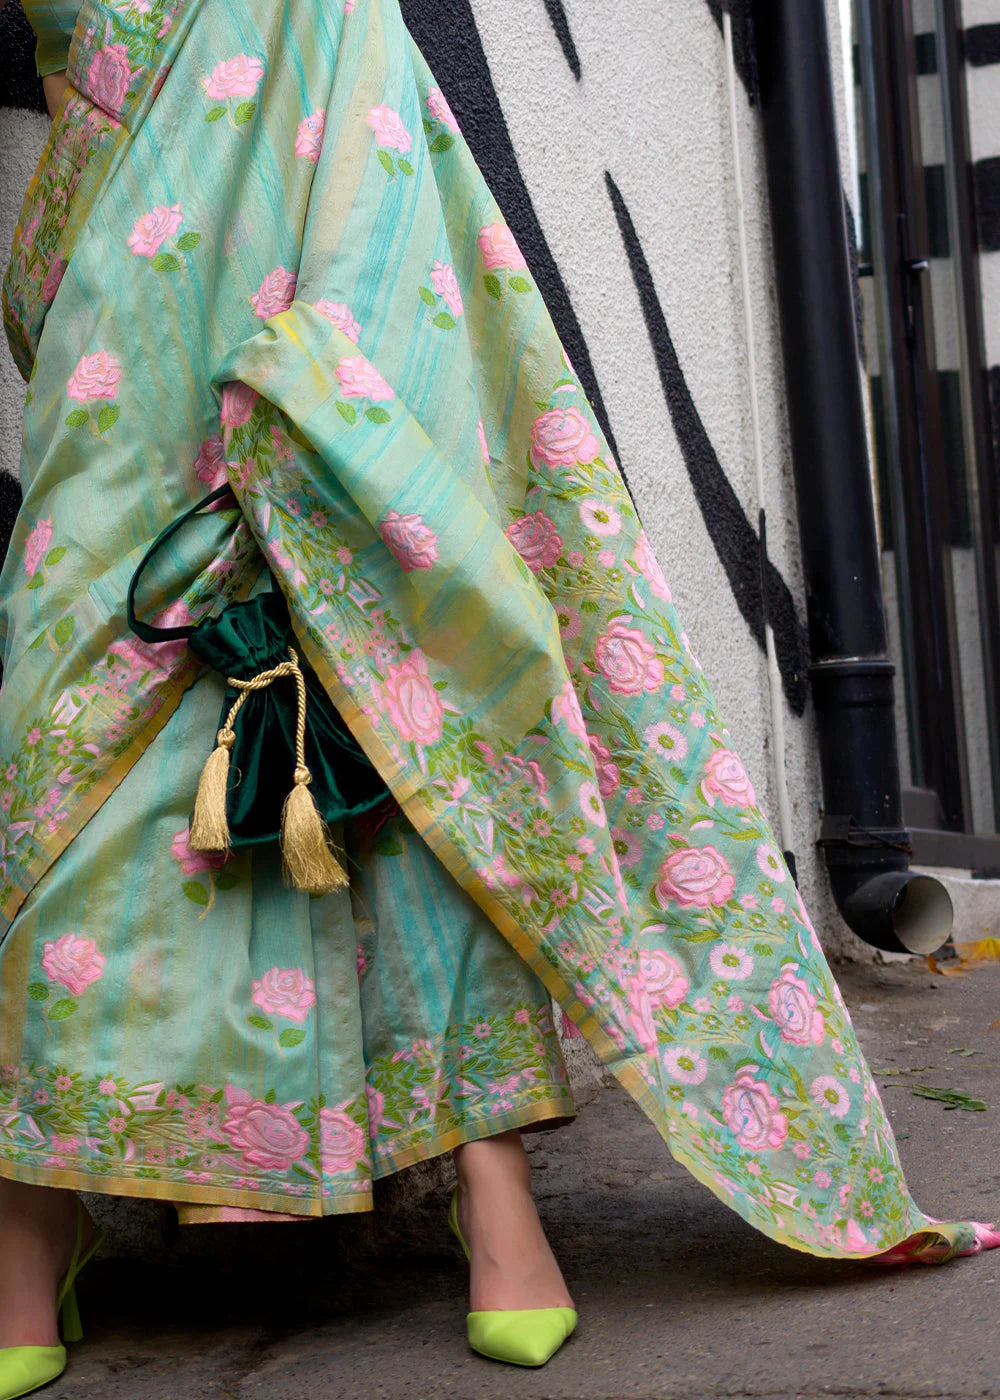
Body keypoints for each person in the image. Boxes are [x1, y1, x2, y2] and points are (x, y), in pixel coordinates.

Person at [1, 0, 997, 1393]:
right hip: (119, 228)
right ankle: (40, 1223)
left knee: (398, 688)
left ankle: (478, 1198)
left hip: (263, 143)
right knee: (103, 709)